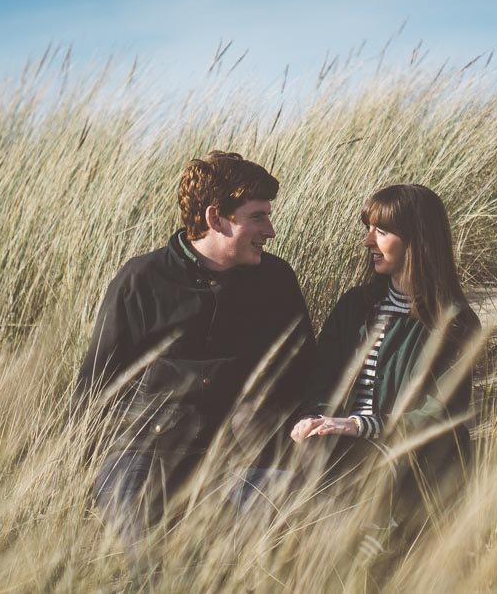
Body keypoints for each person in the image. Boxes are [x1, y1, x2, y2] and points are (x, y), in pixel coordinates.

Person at [72, 151, 316, 541]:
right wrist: (84, 472)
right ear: (215, 218)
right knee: (152, 561)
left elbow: (305, 375)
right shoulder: (142, 280)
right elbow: (95, 388)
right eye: (258, 216)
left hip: (243, 459)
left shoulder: (276, 281)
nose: (270, 230)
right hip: (145, 456)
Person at [290, 184, 480, 561]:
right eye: (368, 228)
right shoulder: (354, 307)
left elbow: (440, 413)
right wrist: (315, 419)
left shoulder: (454, 322)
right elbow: (322, 379)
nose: (367, 241)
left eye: (381, 231)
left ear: (417, 239)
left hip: (413, 466)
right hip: (343, 456)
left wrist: (361, 426)